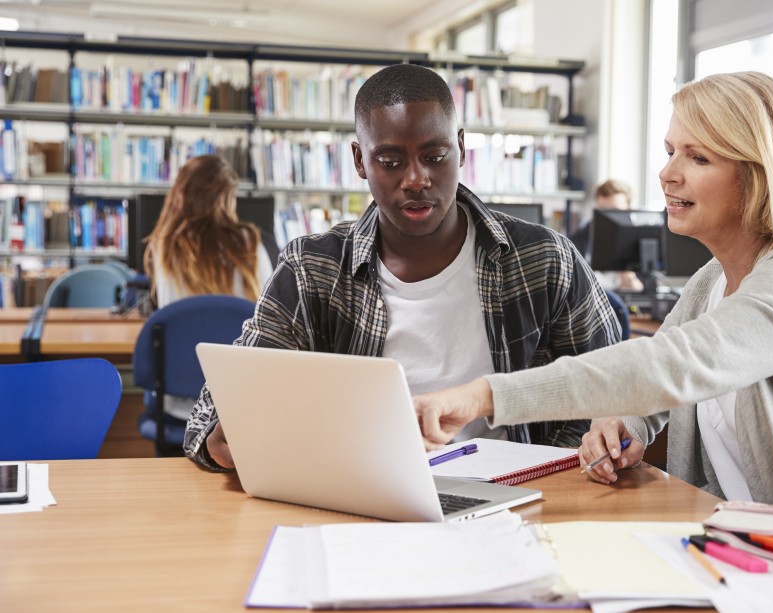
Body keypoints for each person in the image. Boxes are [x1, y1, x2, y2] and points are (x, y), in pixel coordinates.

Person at [414, 71, 773, 582]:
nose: (667, 173)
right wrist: (625, 425)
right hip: (759, 562)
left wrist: (485, 396)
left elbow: (674, 366)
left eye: (698, 158)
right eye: (670, 150)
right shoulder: (712, 282)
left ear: (760, 174)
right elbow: (656, 389)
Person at [183, 63, 621, 471]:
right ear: (359, 161)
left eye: (435, 157)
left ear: (462, 148)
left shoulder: (545, 259)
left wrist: (548, 468)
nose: (415, 180)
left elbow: (612, 388)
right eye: (390, 163)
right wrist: (228, 435)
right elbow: (210, 413)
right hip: (358, 491)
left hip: (519, 494)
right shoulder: (312, 268)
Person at [143, 154, 275, 423]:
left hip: (178, 405)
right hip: (240, 403)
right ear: (227, 198)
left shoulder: (164, 247)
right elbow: (271, 319)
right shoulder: (251, 243)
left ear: (180, 195)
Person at [570, 179, 645, 292]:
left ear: (629, 209)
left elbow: (650, 283)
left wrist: (635, 283)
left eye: (615, 211)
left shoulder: (640, 240)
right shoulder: (579, 239)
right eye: (603, 211)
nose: (609, 219)